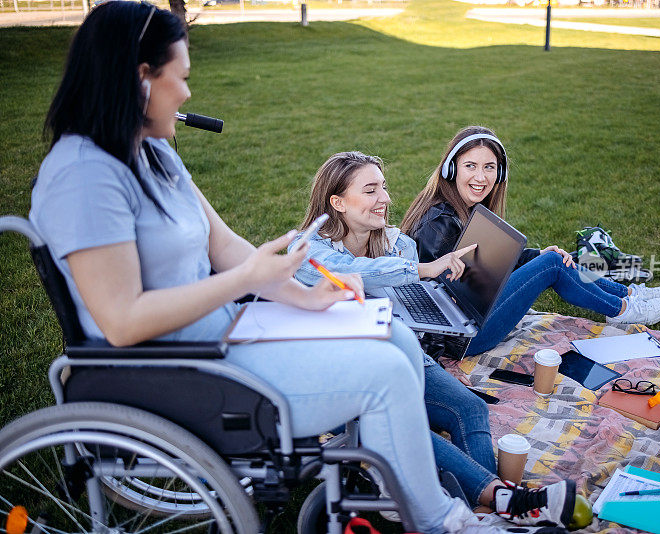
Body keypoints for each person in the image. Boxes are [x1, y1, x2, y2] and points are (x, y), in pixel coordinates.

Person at [26, 5, 523, 533]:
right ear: (140, 79)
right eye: (183, 78)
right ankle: (442, 519)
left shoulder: (152, 153)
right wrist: (244, 282)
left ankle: (399, 487)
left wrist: (299, 290)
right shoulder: (85, 177)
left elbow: (225, 246)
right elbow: (122, 320)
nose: (189, 94)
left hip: (226, 337)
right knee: (383, 376)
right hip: (181, 371)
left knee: (395, 336)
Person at [290, 151, 580, 528]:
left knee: (469, 407)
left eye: (384, 187)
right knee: (407, 424)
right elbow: (342, 271)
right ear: (338, 202)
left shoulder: (398, 246)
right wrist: (422, 270)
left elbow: (403, 314)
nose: (386, 199)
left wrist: (435, 350)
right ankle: (500, 501)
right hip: (352, 373)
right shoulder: (308, 248)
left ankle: (485, 512)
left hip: (401, 352)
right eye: (371, 190)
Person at [400, 126, 660, 356]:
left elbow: (488, 261)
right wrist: (438, 364)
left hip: (472, 315)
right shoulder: (438, 223)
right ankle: (622, 310)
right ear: (451, 169)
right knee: (552, 264)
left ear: (501, 173)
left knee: (554, 259)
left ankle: (627, 296)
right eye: (470, 166)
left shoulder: (463, 207)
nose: (480, 177)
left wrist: (537, 256)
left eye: (489, 167)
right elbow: (426, 304)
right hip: (462, 337)